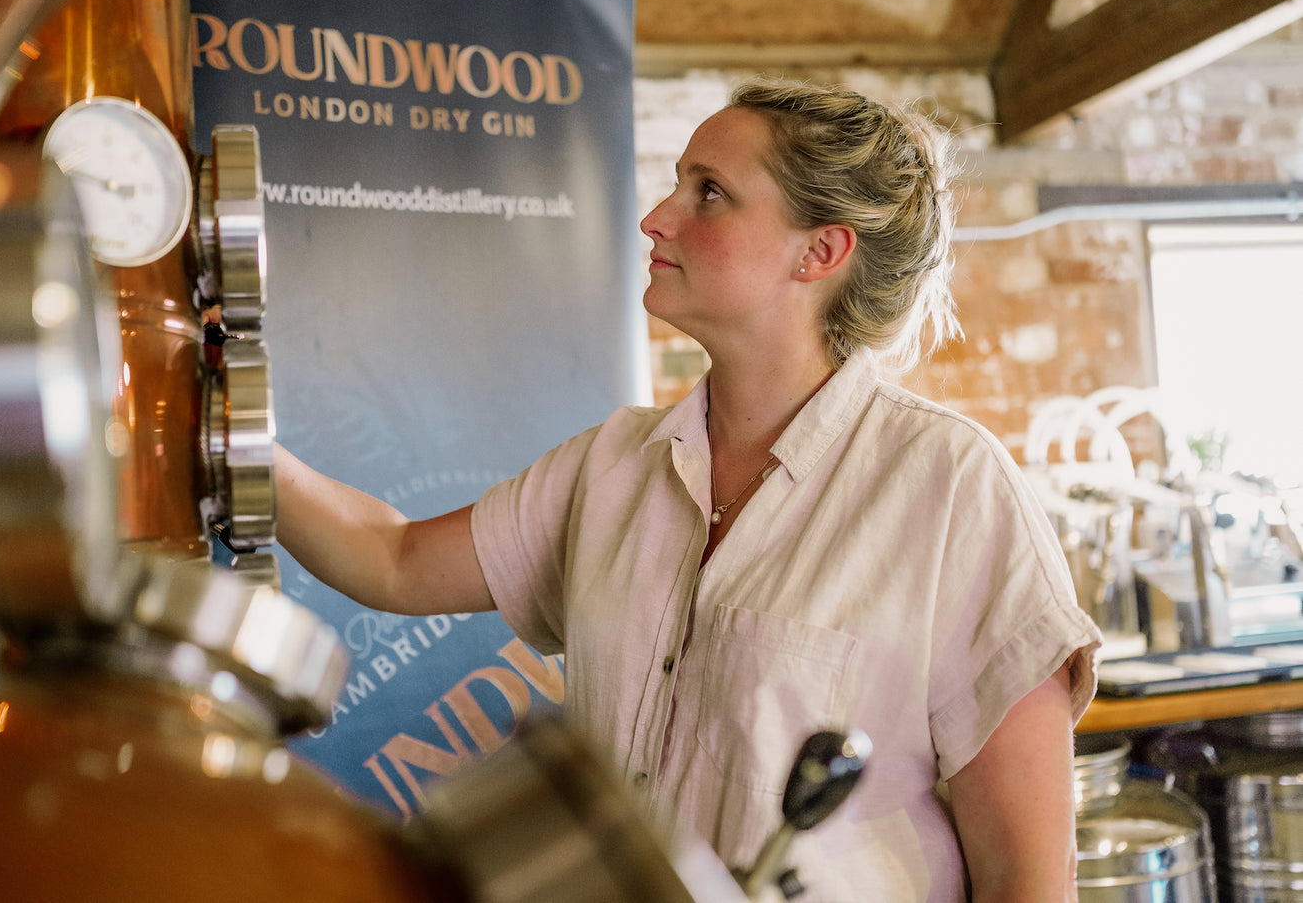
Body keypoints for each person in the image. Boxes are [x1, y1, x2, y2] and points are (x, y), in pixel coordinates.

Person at [274, 78, 1102, 902]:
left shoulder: (951, 484)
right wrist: (232, 435)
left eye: (709, 193)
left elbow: (1028, 881)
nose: (655, 218)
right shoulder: (612, 464)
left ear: (819, 252)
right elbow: (394, 560)